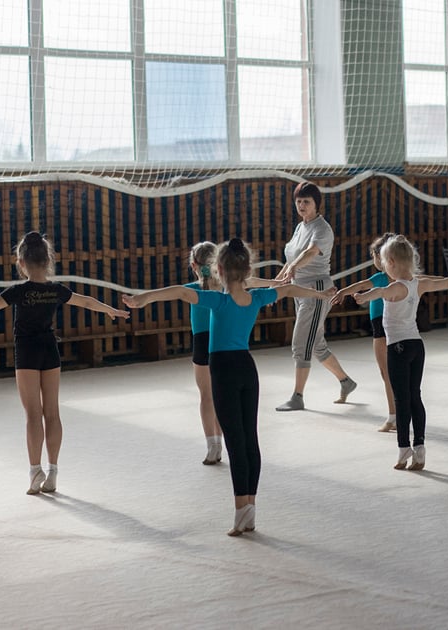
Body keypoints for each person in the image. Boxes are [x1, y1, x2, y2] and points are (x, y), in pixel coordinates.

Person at [123, 238, 336, 536]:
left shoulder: (218, 301)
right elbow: (287, 289)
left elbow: (182, 292)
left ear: (219, 270)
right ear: (247, 269)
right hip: (248, 369)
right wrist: (320, 294)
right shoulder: (257, 297)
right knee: (250, 439)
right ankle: (250, 507)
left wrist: (146, 297)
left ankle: (241, 511)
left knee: (236, 442)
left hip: (222, 370)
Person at [0, 232, 128, 495]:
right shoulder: (56, 290)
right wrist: (110, 310)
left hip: (27, 353)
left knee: (33, 414)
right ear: (48, 261)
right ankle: (53, 472)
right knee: (52, 412)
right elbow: (86, 301)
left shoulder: (19, 292)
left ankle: (35, 472)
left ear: (21, 263)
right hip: (49, 351)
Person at [353, 235, 448, 471]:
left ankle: (404, 449)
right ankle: (420, 449)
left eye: (384, 263)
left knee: (401, 400)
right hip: (417, 346)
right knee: (416, 397)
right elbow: (446, 282)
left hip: (398, 348)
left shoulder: (394, 286)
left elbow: (379, 293)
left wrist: (364, 296)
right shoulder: (419, 283)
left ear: (392, 262)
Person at [273, 182, 357, 411]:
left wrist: (292, 269)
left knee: (301, 342)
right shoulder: (301, 227)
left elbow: (309, 253)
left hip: (317, 290)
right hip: (298, 290)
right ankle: (346, 382)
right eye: (298, 201)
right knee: (317, 344)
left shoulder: (322, 228)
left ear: (316, 204)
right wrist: (278, 280)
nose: (301, 205)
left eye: (306, 201)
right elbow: (291, 259)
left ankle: (297, 396)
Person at [333, 234, 397, 431]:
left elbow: (361, 286)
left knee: (386, 373)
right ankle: (397, 414)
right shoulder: (404, 278)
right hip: (397, 328)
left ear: (382, 257)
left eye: (374, 256)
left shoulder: (380, 278)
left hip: (381, 329)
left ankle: (393, 416)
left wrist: (342, 292)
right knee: (396, 374)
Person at [186, 241, 224, 465]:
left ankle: (213, 445)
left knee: (206, 396)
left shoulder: (192, 289)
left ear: (194, 265)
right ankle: (220, 441)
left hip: (201, 342)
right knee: (221, 395)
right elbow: (255, 284)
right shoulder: (226, 287)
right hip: (222, 340)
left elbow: (165, 294)